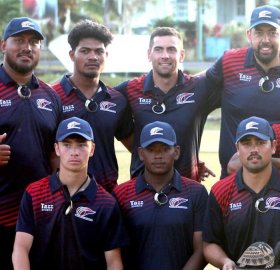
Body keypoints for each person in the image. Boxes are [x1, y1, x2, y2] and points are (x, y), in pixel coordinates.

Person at [203, 116, 280, 269]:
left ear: (274, 146)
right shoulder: (220, 191)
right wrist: (224, 262)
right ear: (237, 148)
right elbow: (209, 243)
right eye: (247, 144)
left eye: (261, 143)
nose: (254, 150)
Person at [206, 5, 280, 177]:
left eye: (272, 32)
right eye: (259, 32)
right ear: (249, 35)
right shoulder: (229, 62)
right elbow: (195, 90)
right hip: (235, 179)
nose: (265, 40)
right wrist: (192, 156)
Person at [12, 117, 127, 269]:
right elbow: (21, 248)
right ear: (57, 149)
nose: (74, 152)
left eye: (81, 145)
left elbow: (113, 261)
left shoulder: (106, 203)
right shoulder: (34, 193)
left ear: (92, 149)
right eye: (67, 145)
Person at [115, 27, 220, 181]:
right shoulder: (129, 89)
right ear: (149, 54)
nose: (165, 55)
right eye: (158, 49)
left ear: (181, 55)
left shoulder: (198, 88)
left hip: (187, 189)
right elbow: (106, 117)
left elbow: (236, 97)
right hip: (140, 191)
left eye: (171, 49)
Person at [0, 17, 61, 269]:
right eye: (19, 40)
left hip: (39, 216)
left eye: (34, 42)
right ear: (3, 45)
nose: (27, 47)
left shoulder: (49, 95)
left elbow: (55, 152)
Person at [52, 20, 133, 193]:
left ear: (106, 55)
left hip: (106, 196)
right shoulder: (51, 97)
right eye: (85, 51)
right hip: (63, 196)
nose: (93, 57)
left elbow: (138, 148)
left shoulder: (117, 100)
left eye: (99, 51)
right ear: (72, 54)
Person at [113, 121, 208, 270]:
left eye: (165, 149)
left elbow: (201, 249)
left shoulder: (196, 192)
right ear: (140, 154)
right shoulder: (122, 194)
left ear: (176, 152)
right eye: (151, 149)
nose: (158, 155)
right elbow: (114, 252)